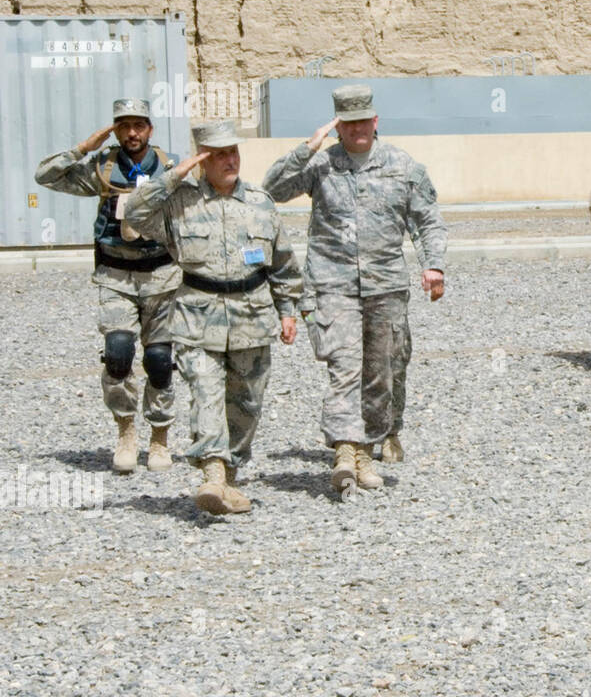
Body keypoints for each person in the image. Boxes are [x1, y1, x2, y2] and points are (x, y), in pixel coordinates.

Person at [262, 85, 448, 495]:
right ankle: (346, 451)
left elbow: (427, 220)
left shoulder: (403, 166)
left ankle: (368, 448)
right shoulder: (322, 165)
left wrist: (432, 264)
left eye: (364, 120)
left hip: (386, 287)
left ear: (375, 121)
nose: (357, 129)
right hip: (332, 285)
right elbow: (270, 192)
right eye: (348, 123)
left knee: (382, 373)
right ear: (337, 126)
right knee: (344, 369)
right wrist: (305, 149)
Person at [124, 120, 302, 516]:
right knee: (206, 395)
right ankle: (213, 474)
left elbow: (284, 263)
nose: (229, 160)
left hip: (252, 318)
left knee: (247, 404)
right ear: (203, 159)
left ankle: (230, 476)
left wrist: (288, 310)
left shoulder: (259, 202)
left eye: (233, 152)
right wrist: (175, 174)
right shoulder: (179, 202)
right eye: (218, 154)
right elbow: (135, 213)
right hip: (197, 318)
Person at [35, 98, 181, 474]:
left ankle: (160, 437)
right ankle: (126, 431)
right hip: (116, 275)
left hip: (162, 276)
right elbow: (46, 176)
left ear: (150, 128)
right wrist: (84, 147)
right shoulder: (102, 168)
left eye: (139, 125)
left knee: (160, 360)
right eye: (123, 126)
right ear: (114, 130)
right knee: (118, 354)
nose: (132, 133)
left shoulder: (169, 167)